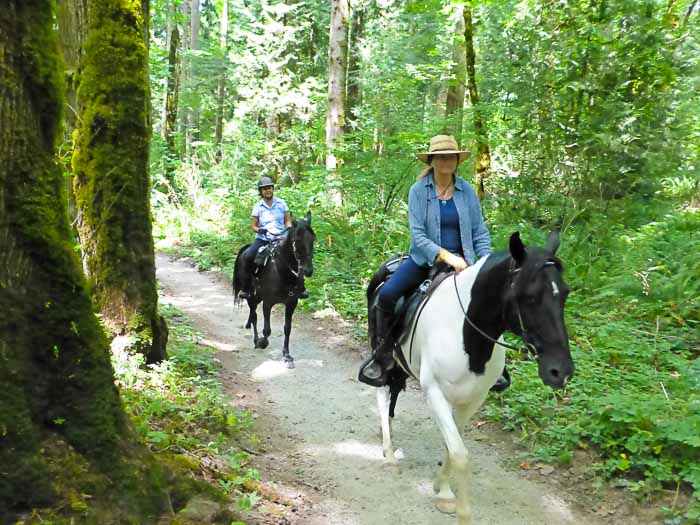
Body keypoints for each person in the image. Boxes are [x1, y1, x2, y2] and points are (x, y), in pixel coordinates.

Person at [359, 135, 509, 390]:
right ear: (432, 160)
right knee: (387, 295)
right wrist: (446, 256)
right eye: (440, 157)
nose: (446, 161)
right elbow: (418, 236)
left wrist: (484, 263)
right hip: (424, 260)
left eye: (450, 156)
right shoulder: (419, 191)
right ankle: (383, 355)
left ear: (456, 160)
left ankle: (496, 366)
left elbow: (479, 231)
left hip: (465, 263)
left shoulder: (467, 191)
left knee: (494, 300)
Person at [238, 177, 309, 300]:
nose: (268, 191)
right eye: (265, 189)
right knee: (249, 256)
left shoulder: (281, 203)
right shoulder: (258, 206)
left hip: (281, 238)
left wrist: (288, 227)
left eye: (269, 188)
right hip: (263, 239)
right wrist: (260, 230)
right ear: (261, 191)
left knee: (297, 255)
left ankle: (300, 287)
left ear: (272, 189)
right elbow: (253, 226)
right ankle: (247, 287)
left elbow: (287, 220)